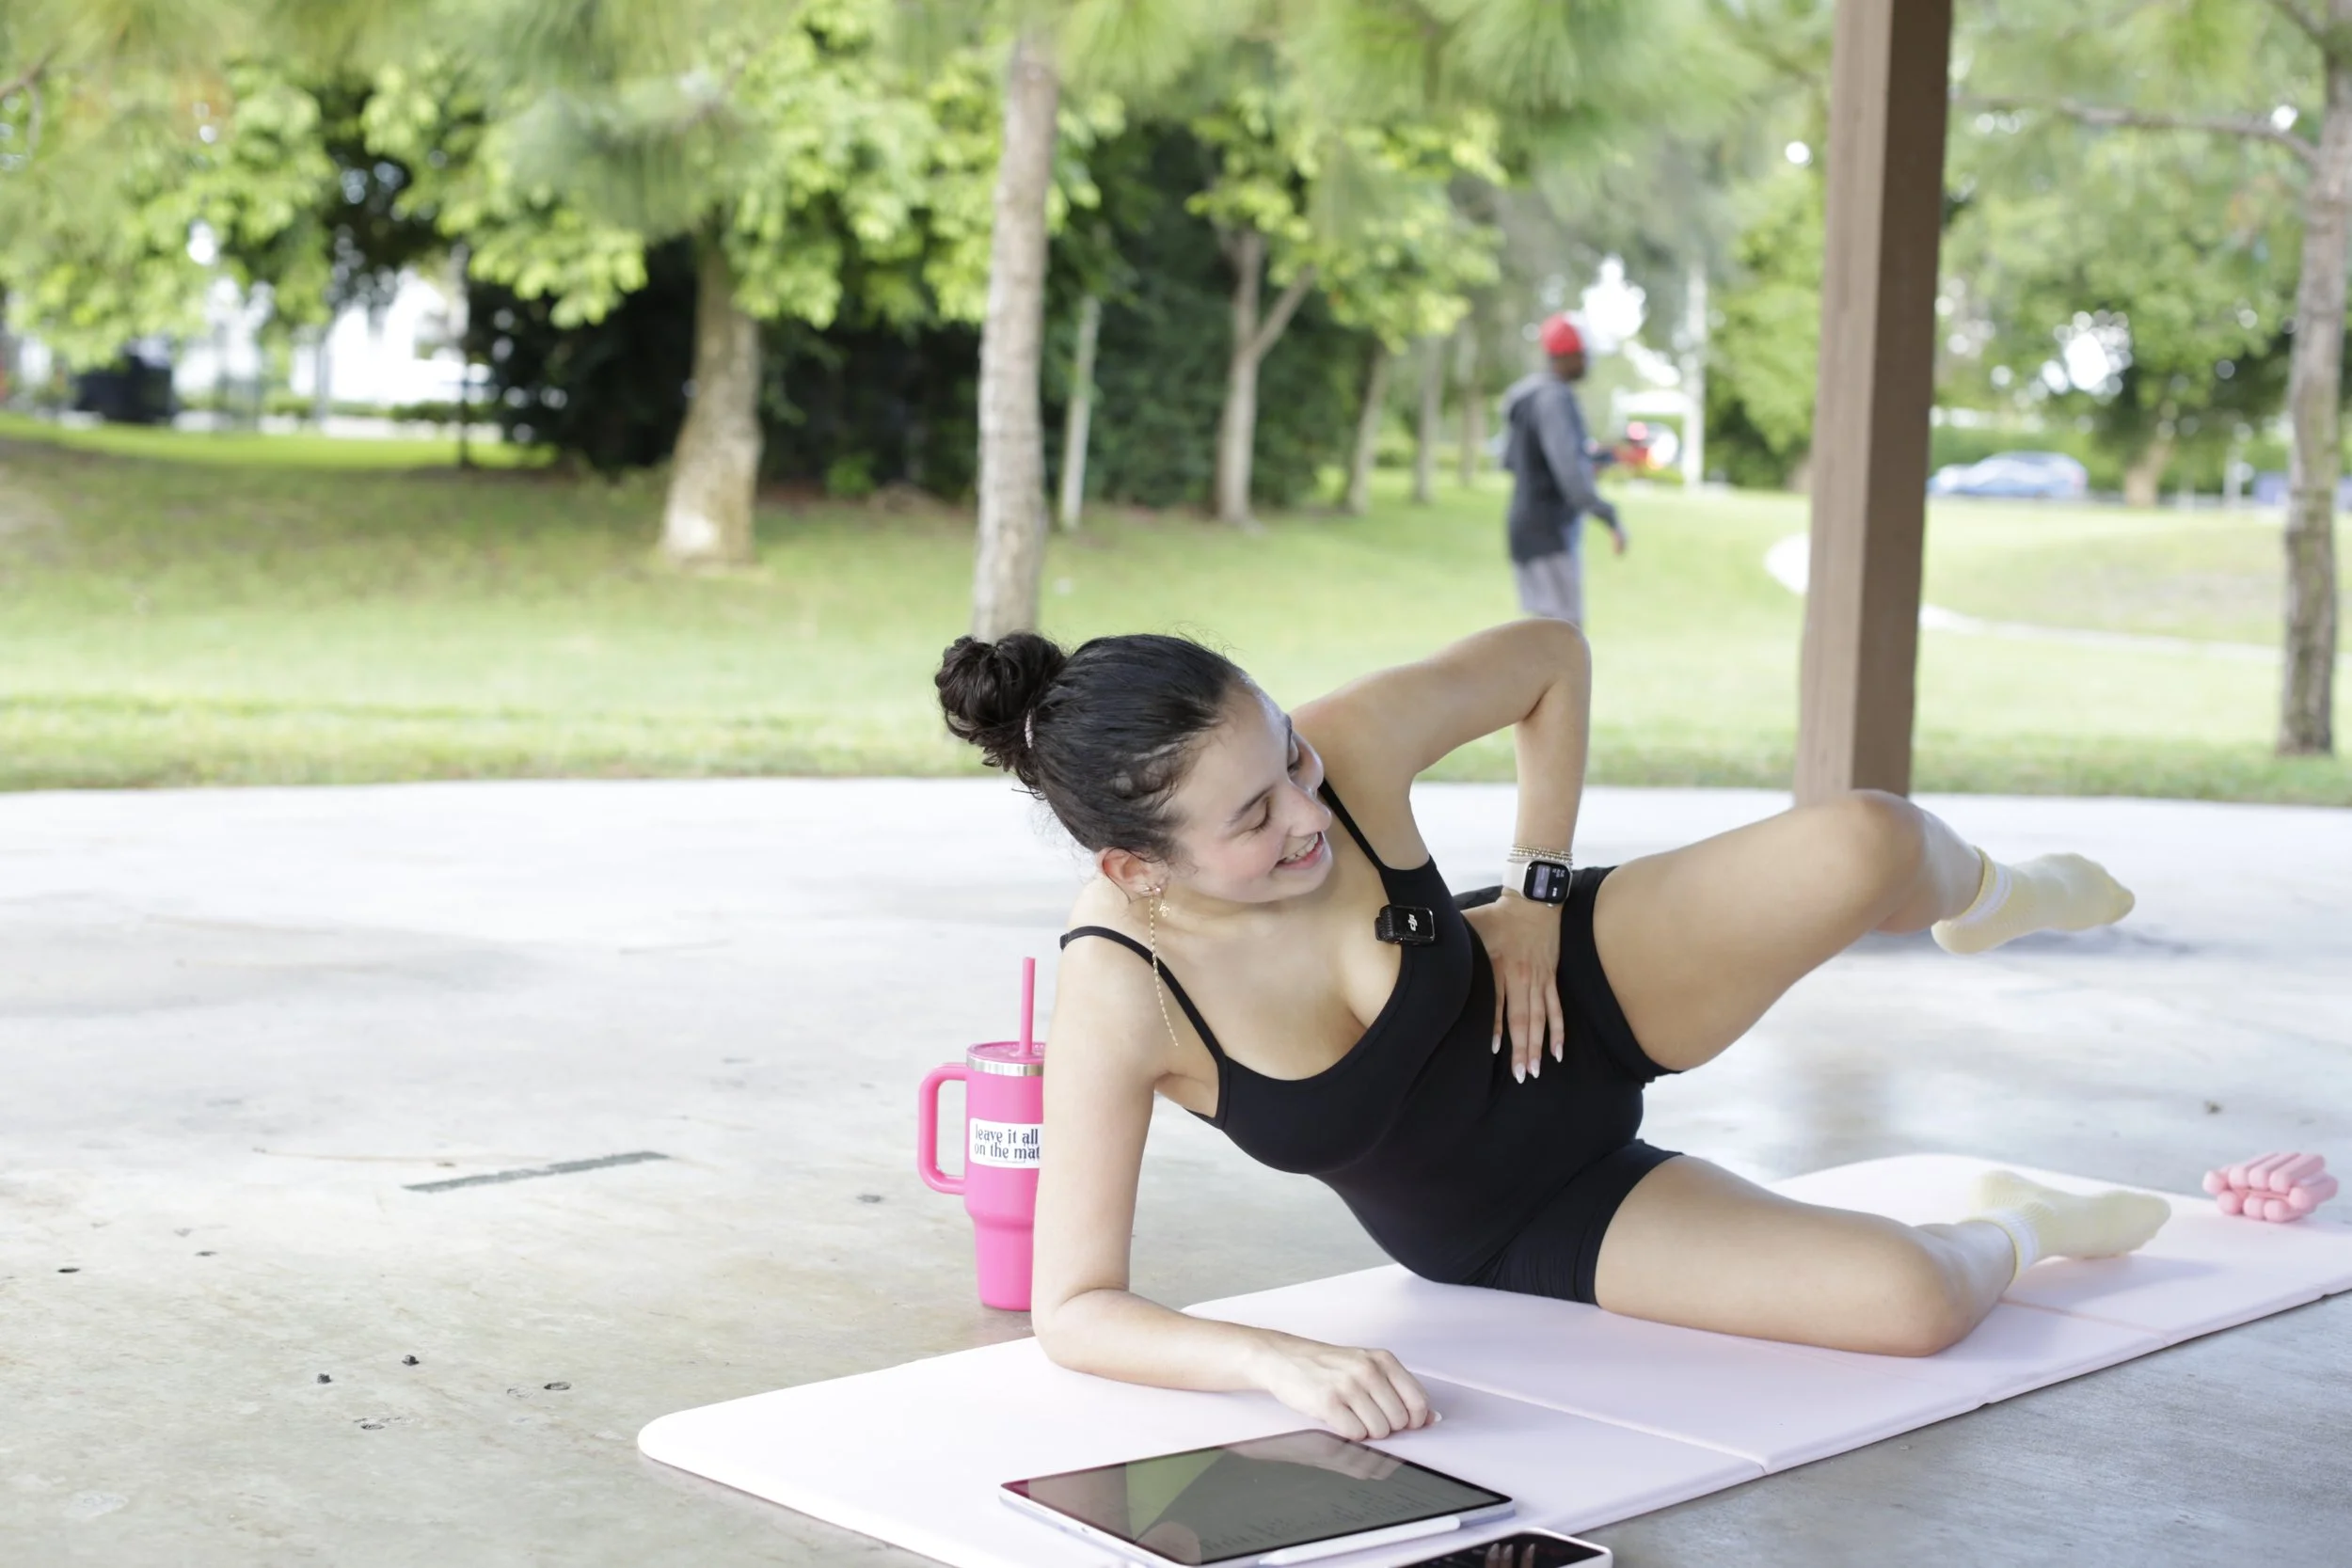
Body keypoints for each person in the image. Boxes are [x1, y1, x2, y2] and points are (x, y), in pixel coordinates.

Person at [934, 623, 2160, 1443]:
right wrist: (1274, 1358)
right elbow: (1076, 1303)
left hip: (1569, 979)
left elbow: (1551, 659)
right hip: (1523, 1210)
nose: (1311, 810)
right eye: (1255, 815)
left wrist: (1535, 886)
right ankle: (2028, 1215)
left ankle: (2003, 896)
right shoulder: (1120, 988)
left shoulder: (1334, 753)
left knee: (1868, 841)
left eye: (1296, 760)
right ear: (1133, 864)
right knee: (1910, 1301)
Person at [1500, 314, 1626, 627]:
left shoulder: (1528, 397)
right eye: (1585, 355)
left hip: (1525, 525)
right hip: (1548, 530)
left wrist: (1591, 459)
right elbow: (1569, 473)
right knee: (1564, 638)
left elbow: (1512, 461)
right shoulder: (1554, 398)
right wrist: (1607, 514)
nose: (1588, 363)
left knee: (1544, 635)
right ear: (1568, 357)